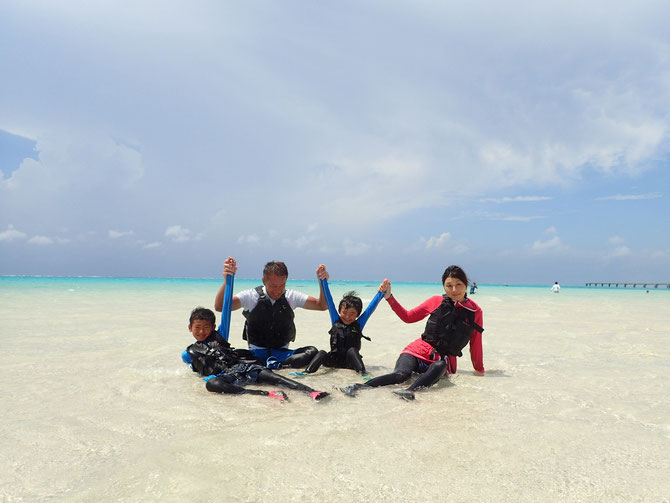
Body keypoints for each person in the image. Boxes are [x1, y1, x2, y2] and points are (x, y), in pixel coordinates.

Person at [340, 265, 484, 401]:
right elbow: (408, 317)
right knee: (400, 375)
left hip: (440, 362)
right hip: (416, 352)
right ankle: (357, 387)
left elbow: (475, 343)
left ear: (466, 284)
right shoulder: (436, 301)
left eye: (458, 284)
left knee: (440, 365)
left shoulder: (475, 312)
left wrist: (479, 370)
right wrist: (389, 297)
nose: (454, 290)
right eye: (449, 285)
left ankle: (409, 391)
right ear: (444, 287)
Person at [183, 307, 329, 401]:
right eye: (197, 328)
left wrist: (229, 277)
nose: (202, 331)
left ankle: (311, 392)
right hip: (224, 376)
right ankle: (265, 394)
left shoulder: (220, 335)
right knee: (211, 384)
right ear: (190, 328)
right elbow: (200, 370)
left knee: (274, 377)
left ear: (213, 327)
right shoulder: (188, 353)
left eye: (206, 327)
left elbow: (226, 310)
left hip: (242, 367)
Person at [214, 257, 327, 368]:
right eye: (273, 286)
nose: (278, 291)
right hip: (255, 354)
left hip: (282, 354)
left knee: (312, 351)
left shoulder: (291, 297)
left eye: (282, 285)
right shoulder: (251, 296)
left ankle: (276, 365)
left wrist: (321, 282)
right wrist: (227, 281)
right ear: (264, 281)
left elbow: (322, 305)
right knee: (227, 355)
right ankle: (270, 366)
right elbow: (220, 307)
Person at [302, 265, 386, 376]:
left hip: (350, 364)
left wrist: (382, 292)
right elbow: (328, 298)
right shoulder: (336, 320)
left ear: (358, 314)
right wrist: (323, 280)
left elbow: (371, 308)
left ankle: (364, 374)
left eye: (352, 314)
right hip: (333, 362)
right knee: (321, 352)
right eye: (344, 312)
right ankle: (306, 373)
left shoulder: (359, 324)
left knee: (352, 351)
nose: (347, 316)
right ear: (339, 311)